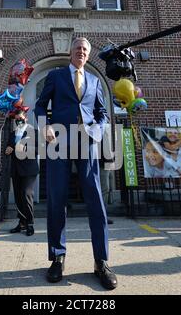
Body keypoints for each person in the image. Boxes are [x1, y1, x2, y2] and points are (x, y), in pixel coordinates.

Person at [34, 37, 117, 289]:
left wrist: (97, 131)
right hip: (59, 141)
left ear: (88, 55)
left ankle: (101, 261)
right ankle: (57, 258)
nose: (81, 52)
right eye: (77, 48)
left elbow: (102, 113)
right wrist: (45, 126)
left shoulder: (94, 80)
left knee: (96, 201)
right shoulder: (57, 76)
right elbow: (39, 106)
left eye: (84, 49)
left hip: (87, 143)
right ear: (70, 52)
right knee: (57, 200)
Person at [6, 110, 39, 236]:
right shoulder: (12, 134)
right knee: (18, 197)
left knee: (26, 194)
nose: (18, 120)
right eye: (16, 119)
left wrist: (24, 148)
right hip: (16, 169)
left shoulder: (33, 132)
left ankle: (30, 223)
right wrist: (7, 150)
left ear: (26, 118)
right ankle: (22, 222)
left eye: (20, 118)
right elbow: (8, 148)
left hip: (29, 169)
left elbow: (38, 149)